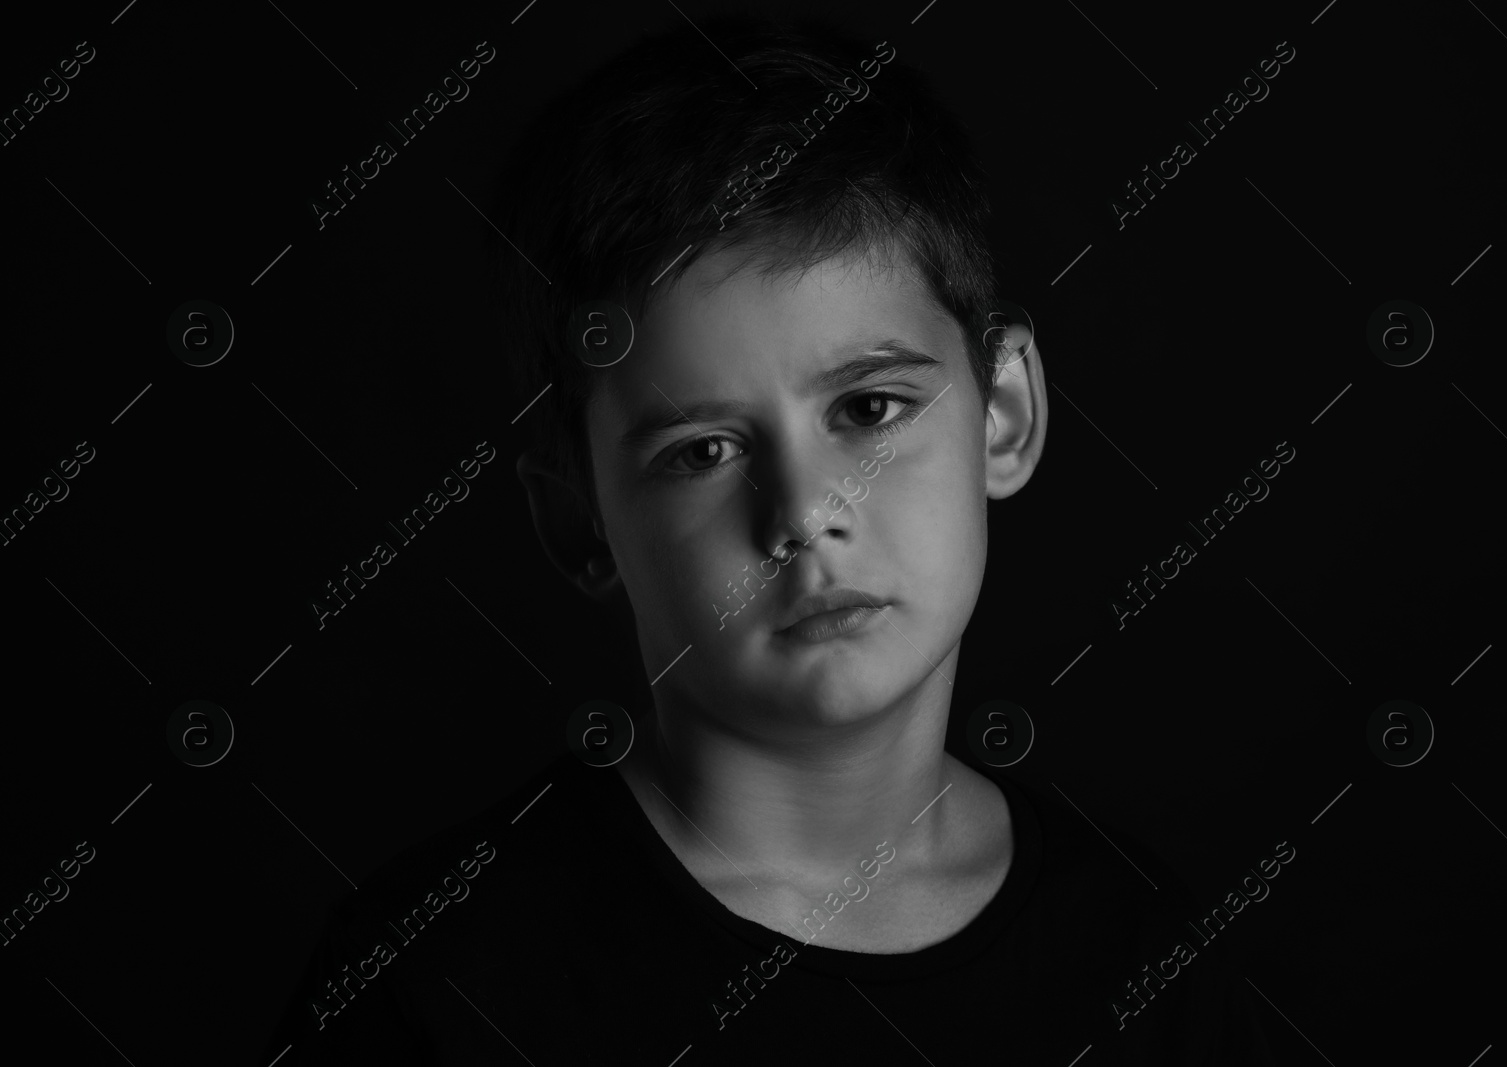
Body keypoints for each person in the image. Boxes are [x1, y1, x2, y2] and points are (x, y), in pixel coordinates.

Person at [260, 13, 1276, 1064]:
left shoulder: (1143, 953)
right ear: (578, 518)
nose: (801, 512)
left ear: (1002, 412)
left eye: (870, 409)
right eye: (702, 451)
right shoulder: (438, 979)